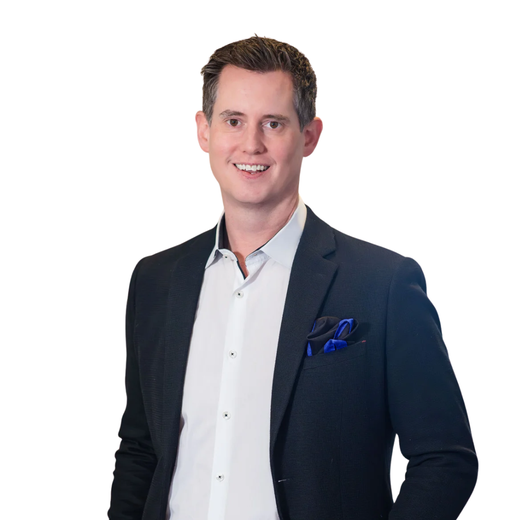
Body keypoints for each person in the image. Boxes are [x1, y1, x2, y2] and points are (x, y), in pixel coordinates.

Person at [108, 36, 477, 520]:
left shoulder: (382, 285)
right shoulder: (156, 281)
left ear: (309, 135)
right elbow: (140, 451)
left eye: (273, 123)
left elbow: (445, 458)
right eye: (233, 121)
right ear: (204, 131)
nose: (251, 144)